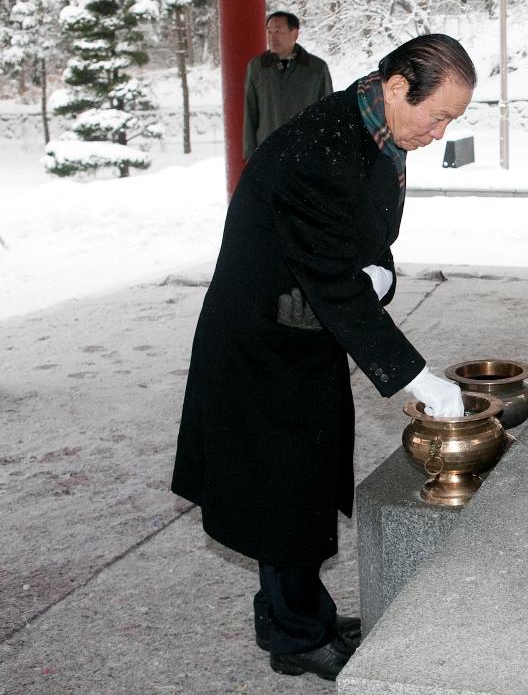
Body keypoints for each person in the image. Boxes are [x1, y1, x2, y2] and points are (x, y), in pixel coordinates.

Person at [172, 34, 476, 682]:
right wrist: (416, 378)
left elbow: (362, 241)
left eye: (452, 118)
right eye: (440, 114)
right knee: (283, 493)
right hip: (261, 343)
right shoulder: (320, 147)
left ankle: (296, 615)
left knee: (300, 485)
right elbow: (335, 282)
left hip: (303, 329)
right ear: (398, 87)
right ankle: (296, 636)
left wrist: (381, 275)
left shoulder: (376, 133)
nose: (441, 129)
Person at [243, 11, 333, 160]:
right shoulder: (257, 67)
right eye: (269, 32)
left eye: (278, 31)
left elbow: (328, 114)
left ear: (294, 34)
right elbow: (250, 113)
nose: (272, 37)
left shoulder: (316, 68)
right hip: (267, 153)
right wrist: (249, 155)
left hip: (306, 153)